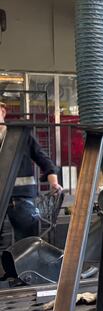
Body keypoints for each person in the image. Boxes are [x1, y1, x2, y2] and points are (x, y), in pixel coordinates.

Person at [0, 100, 62, 243]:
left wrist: (54, 183)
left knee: (27, 244)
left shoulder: (20, 136)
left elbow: (43, 159)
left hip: (21, 198)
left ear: (3, 112)